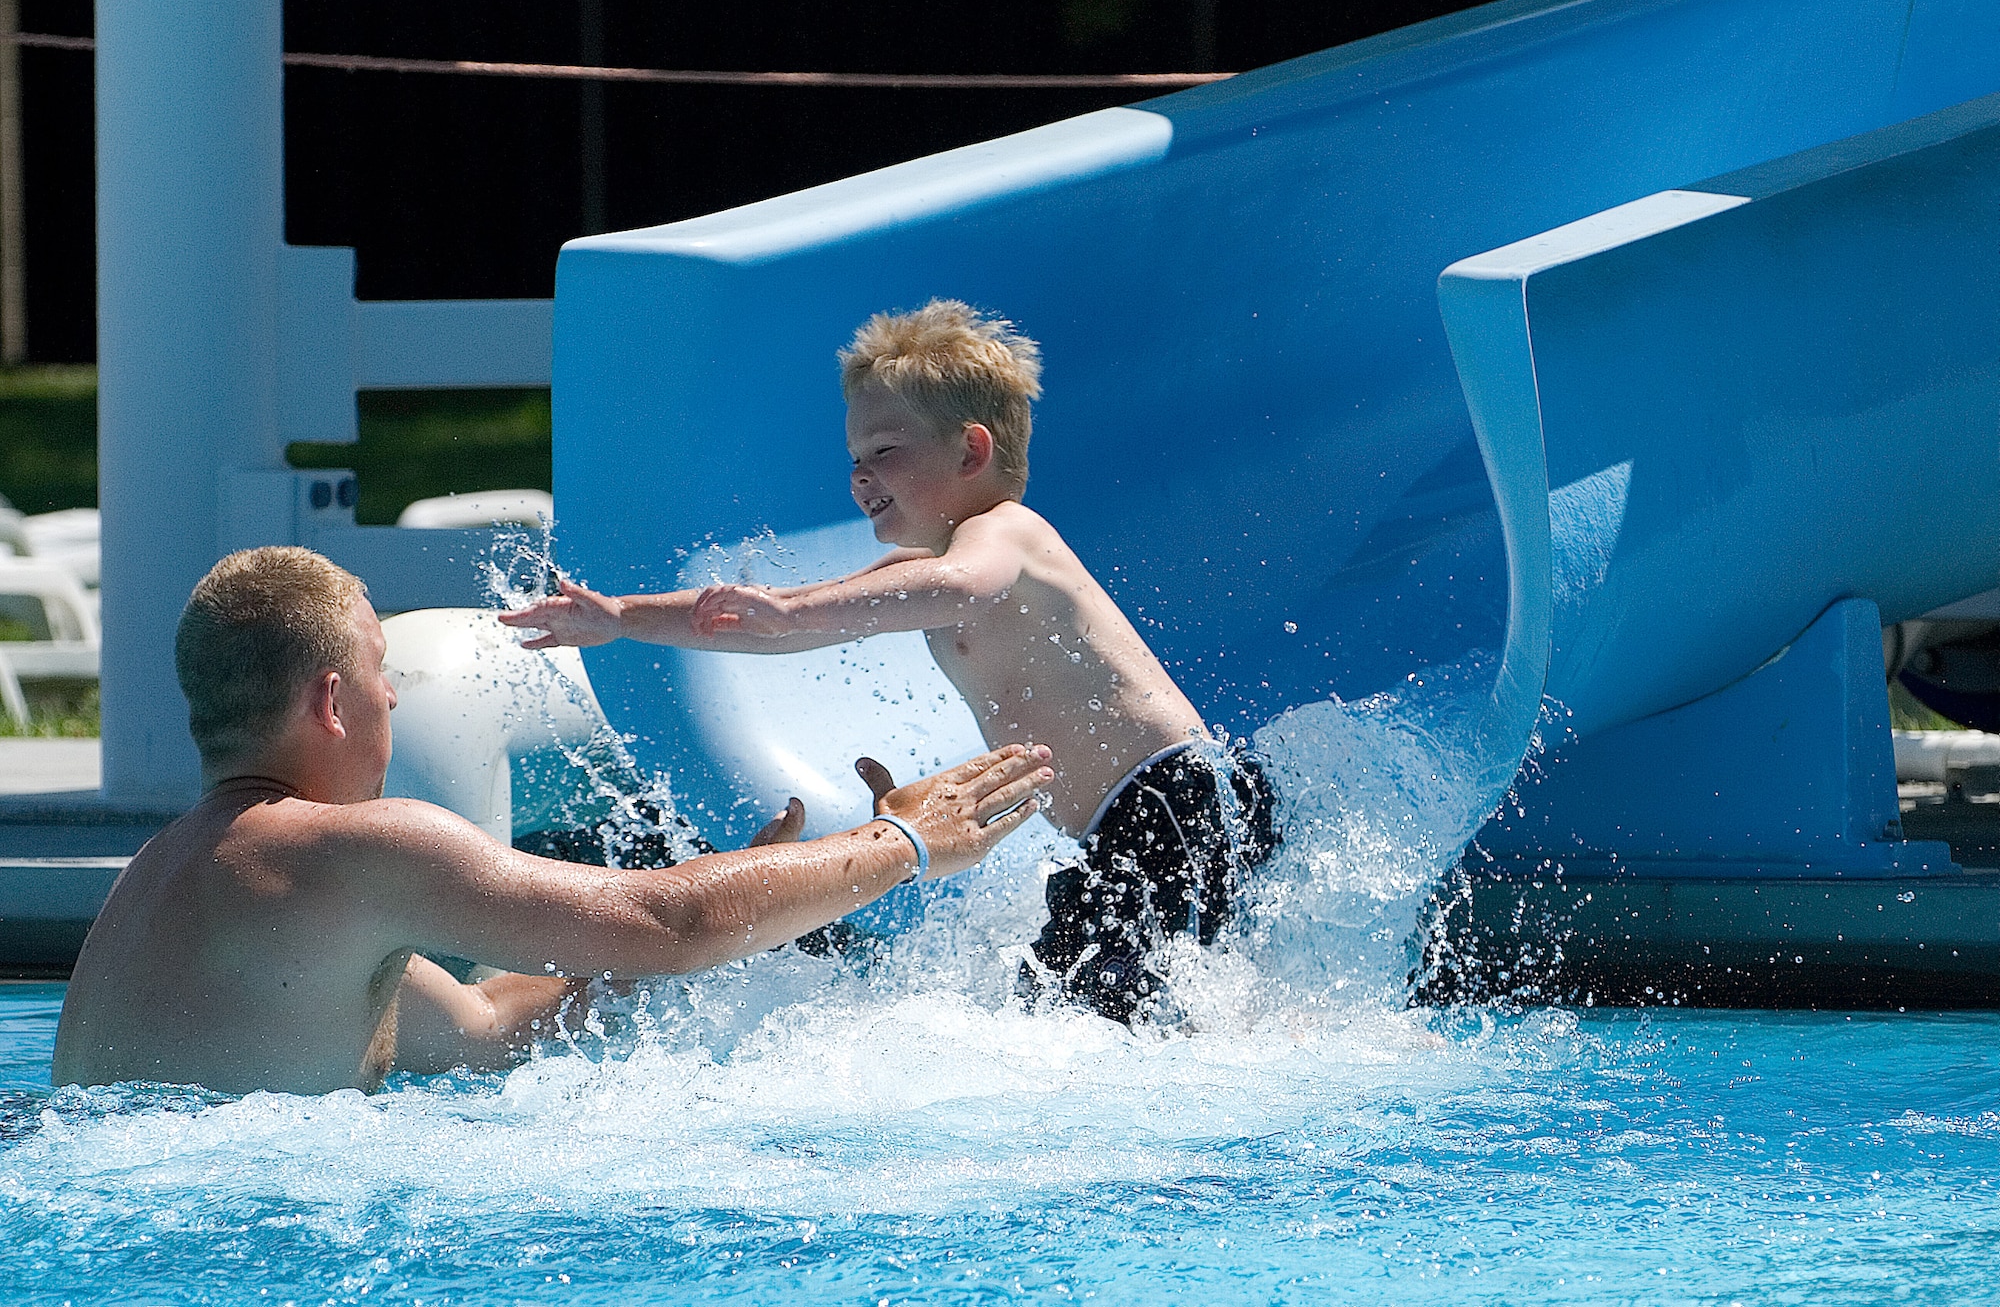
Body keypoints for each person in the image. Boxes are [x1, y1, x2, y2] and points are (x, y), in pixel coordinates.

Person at [500, 299, 1279, 1024]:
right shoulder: (931, 558)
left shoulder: (1007, 532)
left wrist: (798, 609)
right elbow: (776, 623)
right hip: (1138, 826)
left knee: (1102, 1010)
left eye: (884, 450)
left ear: (972, 449)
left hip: (1178, 804)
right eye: (854, 456)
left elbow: (955, 586)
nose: (860, 475)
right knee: (1065, 1003)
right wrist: (619, 619)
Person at [51, 546, 1051, 1096]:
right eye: (380, 677)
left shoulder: (160, 878)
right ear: (329, 702)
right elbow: (666, 924)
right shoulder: (348, 849)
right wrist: (905, 840)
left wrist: (741, 911)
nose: (395, 700)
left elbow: (489, 1025)